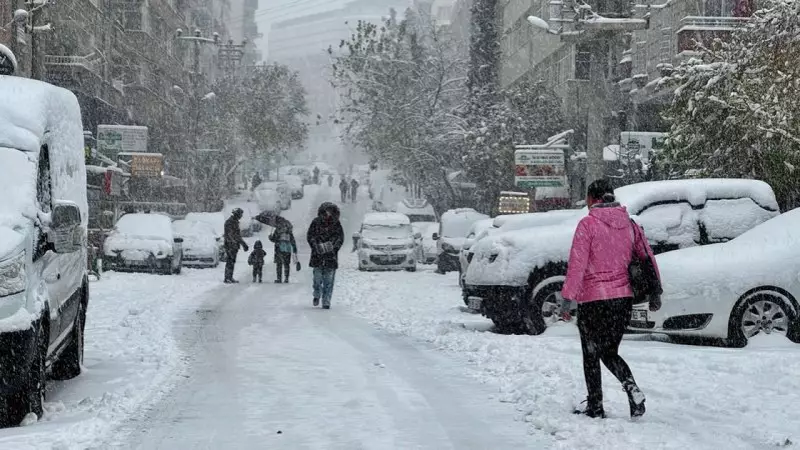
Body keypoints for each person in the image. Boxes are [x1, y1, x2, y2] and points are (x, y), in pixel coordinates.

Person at [561, 179, 660, 419]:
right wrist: (656, 290)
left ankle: (595, 407)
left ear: (592, 199)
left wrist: (567, 299)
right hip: (622, 300)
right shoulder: (629, 224)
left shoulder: (588, 224)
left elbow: (578, 265)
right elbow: (647, 257)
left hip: (593, 301)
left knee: (591, 354)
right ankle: (631, 388)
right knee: (609, 352)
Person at [307, 202, 344, 309]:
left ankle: (326, 300)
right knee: (317, 279)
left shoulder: (337, 224)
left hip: (331, 257)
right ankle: (317, 293)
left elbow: (340, 238)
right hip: (317, 256)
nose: (328, 214)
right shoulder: (315, 222)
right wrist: (316, 245)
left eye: (330, 211)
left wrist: (333, 247)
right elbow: (310, 236)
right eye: (326, 211)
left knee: (329, 280)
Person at [223, 208, 250, 283]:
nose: (241, 216)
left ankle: (230, 277)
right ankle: (227, 278)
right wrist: (234, 242)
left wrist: (243, 244)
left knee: (232, 261)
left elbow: (237, 235)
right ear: (237, 214)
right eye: (240, 214)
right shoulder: (230, 222)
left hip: (233, 245)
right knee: (230, 261)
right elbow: (231, 235)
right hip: (230, 245)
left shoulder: (235, 222)